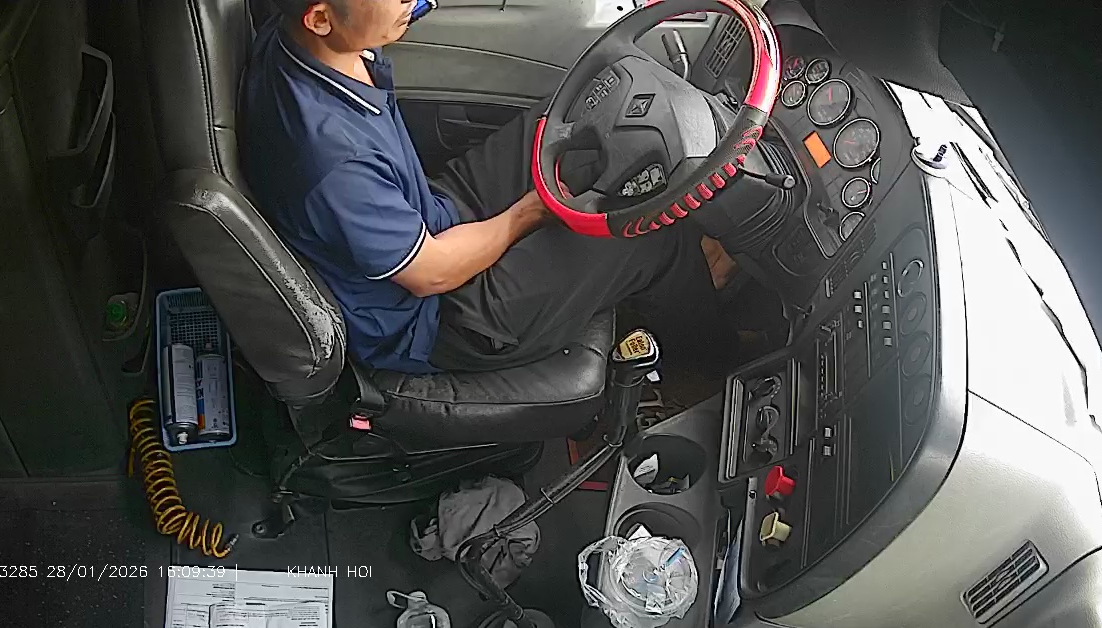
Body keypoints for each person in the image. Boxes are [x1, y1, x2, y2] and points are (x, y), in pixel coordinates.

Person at [241, 0, 738, 376]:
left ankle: (685, 277)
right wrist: (528, 214)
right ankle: (713, 365)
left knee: (576, 112)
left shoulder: (306, 41)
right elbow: (430, 273)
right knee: (650, 237)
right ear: (320, 18)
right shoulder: (332, 161)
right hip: (440, 315)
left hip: (430, 210)